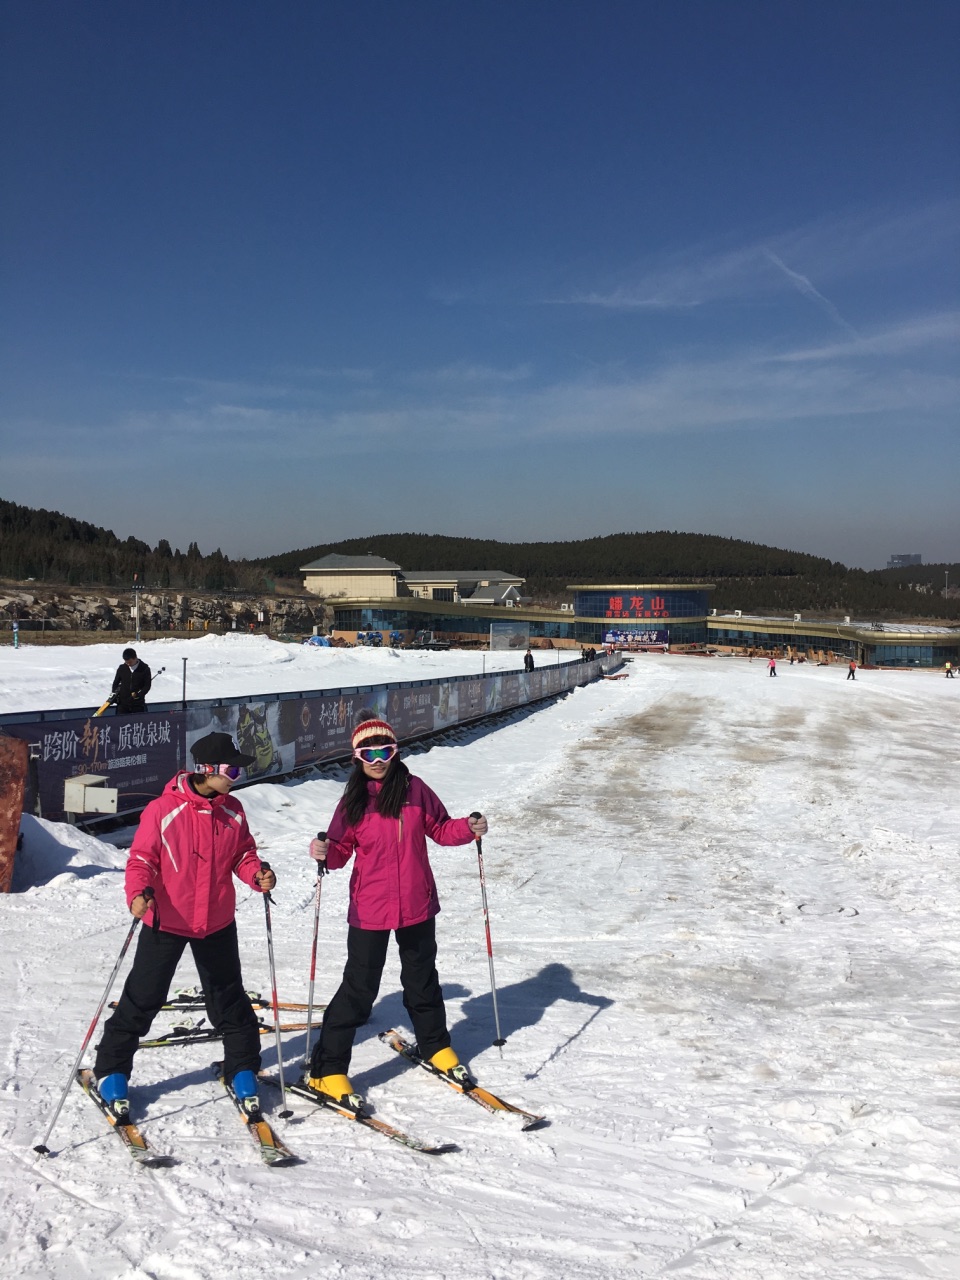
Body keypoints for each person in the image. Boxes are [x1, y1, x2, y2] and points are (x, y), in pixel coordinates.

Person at [305, 716, 487, 1114]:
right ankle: (327, 1067)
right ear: (356, 757)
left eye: (384, 750)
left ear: (395, 751)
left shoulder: (414, 789)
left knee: (422, 979)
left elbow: (440, 828)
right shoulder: (352, 800)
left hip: (417, 902)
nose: (377, 759)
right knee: (359, 988)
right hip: (370, 906)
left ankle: (436, 1045)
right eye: (367, 752)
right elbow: (338, 850)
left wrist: (468, 828)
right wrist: (323, 851)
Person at [93, 732, 276, 1121]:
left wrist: (256, 873)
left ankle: (242, 1066)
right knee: (143, 997)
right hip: (167, 919)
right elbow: (141, 859)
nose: (237, 776)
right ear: (206, 770)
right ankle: (111, 1071)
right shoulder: (163, 810)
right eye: (232, 769)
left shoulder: (233, 809)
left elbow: (242, 853)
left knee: (229, 998)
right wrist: (138, 892)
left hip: (216, 920)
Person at [111, 647, 151, 713]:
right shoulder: (122, 668)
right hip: (122, 704)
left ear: (135, 658)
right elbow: (115, 683)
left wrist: (139, 695)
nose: (128, 664)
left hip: (137, 704)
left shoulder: (145, 669)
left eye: (130, 662)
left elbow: (147, 686)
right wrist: (115, 695)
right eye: (126, 662)